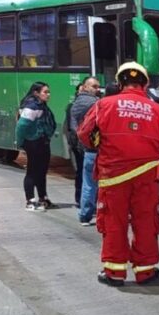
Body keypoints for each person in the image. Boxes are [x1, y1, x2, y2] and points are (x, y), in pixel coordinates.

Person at [77, 63, 159, 286]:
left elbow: (85, 134)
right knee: (146, 222)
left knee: (114, 221)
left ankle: (114, 273)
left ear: (120, 83)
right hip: (147, 176)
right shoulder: (158, 110)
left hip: (113, 176)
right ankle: (145, 271)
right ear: (146, 84)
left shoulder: (103, 105)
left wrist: (100, 145)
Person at [15, 82, 56, 211]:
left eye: (48, 92)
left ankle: (43, 198)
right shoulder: (32, 106)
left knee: (42, 171)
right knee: (32, 171)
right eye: (45, 92)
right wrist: (20, 142)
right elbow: (21, 126)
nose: (48, 95)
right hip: (33, 142)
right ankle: (30, 200)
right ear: (36, 93)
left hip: (42, 141)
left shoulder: (41, 105)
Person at [71, 76, 101, 225]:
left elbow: (74, 127)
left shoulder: (75, 103)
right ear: (85, 87)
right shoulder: (96, 104)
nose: (97, 89)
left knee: (87, 183)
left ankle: (84, 215)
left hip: (85, 147)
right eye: (94, 86)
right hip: (96, 149)